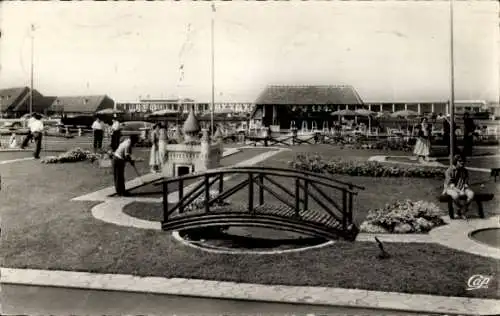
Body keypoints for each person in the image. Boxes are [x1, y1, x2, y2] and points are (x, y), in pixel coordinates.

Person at [443, 155, 474, 219]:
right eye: (460, 161)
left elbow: (465, 183)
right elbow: (450, 185)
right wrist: (460, 191)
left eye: (463, 161)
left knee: (471, 194)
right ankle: (461, 208)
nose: (462, 162)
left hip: (461, 188)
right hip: (450, 188)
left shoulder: (465, 170)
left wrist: (464, 188)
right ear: (455, 162)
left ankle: (462, 209)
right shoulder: (449, 170)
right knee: (455, 195)